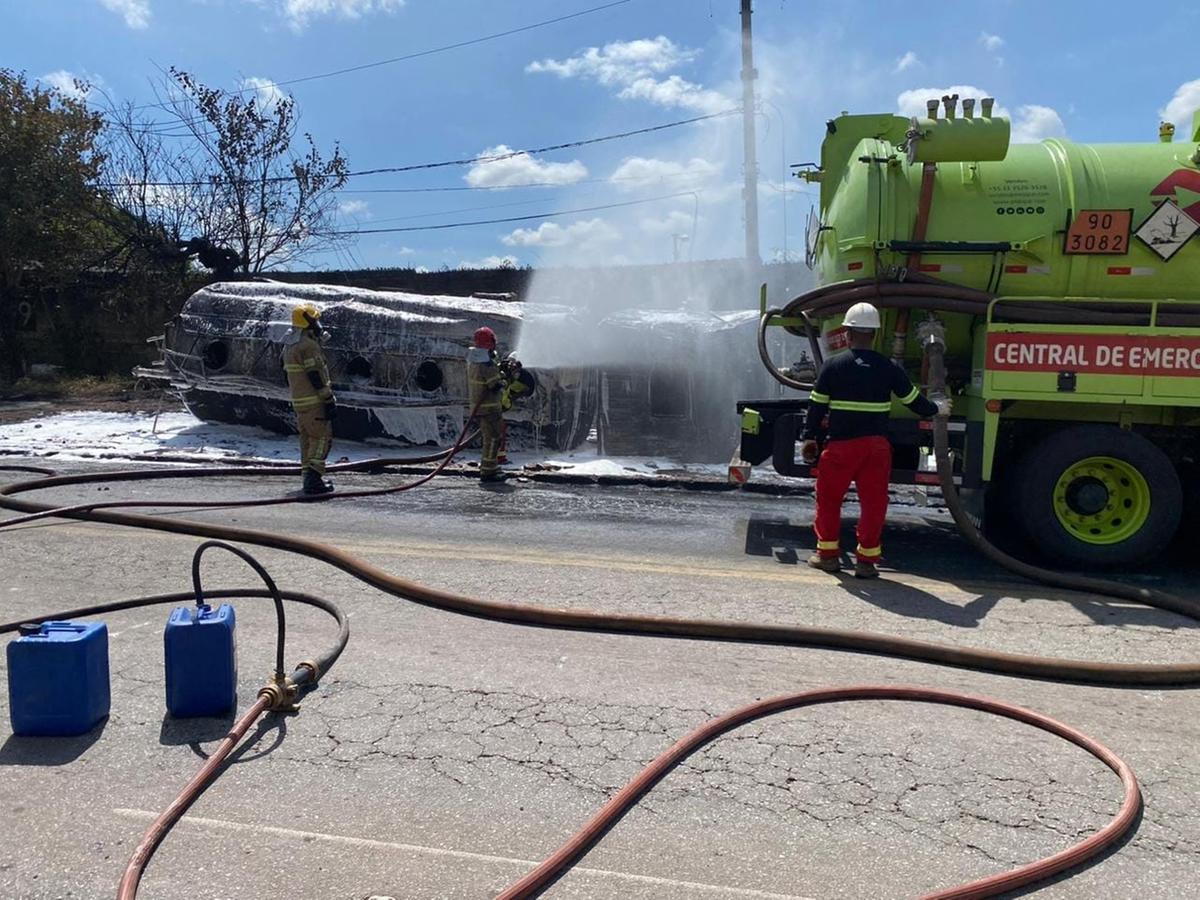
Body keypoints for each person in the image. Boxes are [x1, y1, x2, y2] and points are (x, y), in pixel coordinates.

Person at [800, 302, 950, 578]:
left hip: (841, 447)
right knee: (873, 503)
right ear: (875, 334)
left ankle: (828, 556)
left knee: (829, 500)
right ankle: (866, 562)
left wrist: (809, 438)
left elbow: (816, 408)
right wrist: (938, 408)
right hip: (876, 449)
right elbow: (913, 401)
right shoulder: (888, 368)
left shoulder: (832, 367)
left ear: (846, 332)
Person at [283, 303, 336, 495]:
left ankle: (309, 477)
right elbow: (315, 375)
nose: (318, 324)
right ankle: (314, 479)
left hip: (299, 402)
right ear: (309, 322)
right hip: (314, 402)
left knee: (306, 440)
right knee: (321, 438)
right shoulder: (308, 346)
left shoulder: (290, 345)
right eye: (316, 320)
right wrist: (328, 399)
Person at [466, 326, 505, 482]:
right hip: (489, 408)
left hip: (480, 407)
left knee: (490, 438)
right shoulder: (486, 364)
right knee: (493, 439)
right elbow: (493, 385)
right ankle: (489, 471)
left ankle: (491, 466)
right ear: (490, 342)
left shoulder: (474, 358)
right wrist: (504, 377)